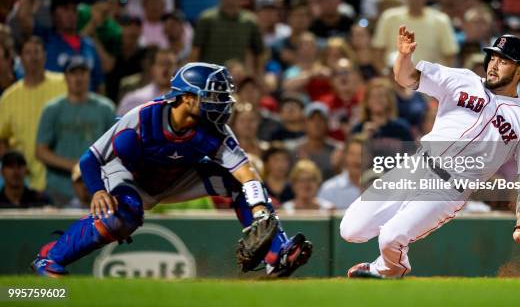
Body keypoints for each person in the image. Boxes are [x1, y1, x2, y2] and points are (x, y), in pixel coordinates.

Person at [31, 62, 312, 277]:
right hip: (131, 175)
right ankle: (50, 258)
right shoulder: (142, 117)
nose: (222, 103)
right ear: (187, 97)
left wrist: (261, 210)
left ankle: (277, 255)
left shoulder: (214, 129)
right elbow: (89, 159)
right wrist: (96, 191)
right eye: (213, 96)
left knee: (241, 187)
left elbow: (246, 172)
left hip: (178, 176)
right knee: (122, 216)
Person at [341, 28, 520, 278]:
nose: (493, 65)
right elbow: (406, 78)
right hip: (415, 166)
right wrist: (403, 57)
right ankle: (386, 268)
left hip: (448, 189)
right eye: (492, 57)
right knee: (350, 230)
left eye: (503, 61)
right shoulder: (462, 79)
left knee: (391, 238)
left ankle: (387, 270)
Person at [36, 56, 116, 207]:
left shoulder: (105, 108)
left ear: (89, 76)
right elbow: (40, 151)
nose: (78, 78)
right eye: (73, 73)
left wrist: (89, 167)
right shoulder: (52, 109)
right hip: (60, 189)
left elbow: (115, 146)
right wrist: (74, 165)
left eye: (83, 73)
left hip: (98, 189)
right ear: (65, 77)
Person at [0, 37, 67, 191]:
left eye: (37, 52)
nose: (33, 57)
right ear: (20, 58)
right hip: (26, 184)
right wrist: (14, 166)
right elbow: (1, 139)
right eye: (28, 52)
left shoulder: (63, 83)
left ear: (45, 55)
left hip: (62, 178)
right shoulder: (9, 97)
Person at [373, 0, 458, 67]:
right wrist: (384, 75)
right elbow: (378, 50)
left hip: (429, 78)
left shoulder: (441, 19)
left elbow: (450, 55)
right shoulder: (389, 17)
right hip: (395, 77)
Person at [191, 0, 264, 76]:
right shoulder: (206, 19)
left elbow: (259, 54)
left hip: (238, 80)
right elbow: (195, 53)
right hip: (211, 80)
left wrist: (257, 77)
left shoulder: (250, 21)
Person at [117, 48, 177, 115]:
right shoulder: (134, 99)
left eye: (170, 64)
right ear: (152, 68)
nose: (166, 69)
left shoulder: (185, 99)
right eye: (161, 64)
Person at [294, 102, 341, 181]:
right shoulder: (294, 150)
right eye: (312, 119)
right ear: (304, 123)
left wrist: (338, 169)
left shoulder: (338, 151)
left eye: (321, 119)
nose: (317, 123)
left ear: (328, 123)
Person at [318, 134, 365, 210]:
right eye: (352, 154)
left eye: (362, 154)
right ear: (345, 156)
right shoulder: (329, 189)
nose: (357, 160)